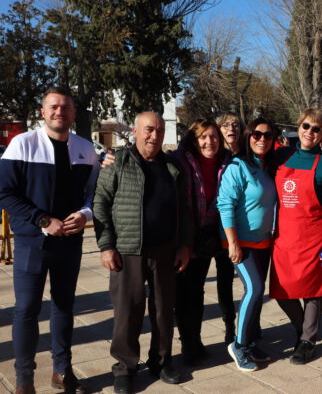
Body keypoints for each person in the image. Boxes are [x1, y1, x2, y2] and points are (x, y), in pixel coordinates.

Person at [0, 87, 98, 394]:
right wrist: (43, 220)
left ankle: (62, 371)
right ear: (43, 112)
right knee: (27, 310)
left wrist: (86, 214)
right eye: (53, 106)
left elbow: (95, 194)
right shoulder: (23, 144)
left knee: (64, 307)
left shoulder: (86, 149)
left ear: (73, 113)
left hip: (70, 242)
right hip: (33, 242)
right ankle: (24, 379)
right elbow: (5, 192)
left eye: (66, 107)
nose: (60, 112)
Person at [93, 112, 192, 394]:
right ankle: (125, 367)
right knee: (128, 311)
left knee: (163, 311)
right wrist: (106, 245)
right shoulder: (117, 164)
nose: (155, 135)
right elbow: (100, 204)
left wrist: (184, 245)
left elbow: (184, 209)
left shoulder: (172, 167)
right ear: (135, 131)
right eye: (149, 129)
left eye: (160, 130)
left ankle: (161, 361)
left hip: (165, 251)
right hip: (128, 251)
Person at [271, 108, 322, 365]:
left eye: (317, 128)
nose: (310, 132)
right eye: (306, 126)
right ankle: (302, 331)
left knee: (312, 292)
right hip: (284, 236)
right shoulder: (281, 156)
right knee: (280, 291)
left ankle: (308, 341)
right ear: (298, 128)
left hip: (313, 236)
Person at [171, 118, 236, 366]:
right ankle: (189, 341)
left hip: (213, 235)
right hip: (187, 236)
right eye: (204, 137)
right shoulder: (181, 161)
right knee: (187, 293)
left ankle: (203, 338)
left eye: (214, 137)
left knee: (207, 289)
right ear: (195, 140)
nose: (210, 142)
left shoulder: (226, 162)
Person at [217, 117, 279, 371]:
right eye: (256, 134)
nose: (262, 139)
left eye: (267, 135)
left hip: (262, 241)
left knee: (257, 291)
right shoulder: (237, 166)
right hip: (239, 241)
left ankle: (251, 341)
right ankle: (239, 345)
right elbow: (224, 204)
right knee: (253, 289)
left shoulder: (265, 166)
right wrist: (232, 242)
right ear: (247, 136)